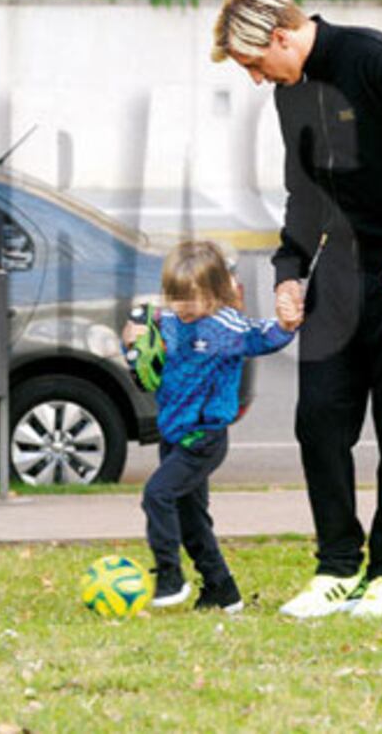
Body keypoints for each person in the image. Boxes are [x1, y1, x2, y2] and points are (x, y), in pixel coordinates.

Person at [212, 0, 382, 617]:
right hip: (341, 273)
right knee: (318, 419)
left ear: (280, 37)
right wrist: (291, 270)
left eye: (252, 64)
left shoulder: (379, 60)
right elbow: (305, 192)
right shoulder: (291, 93)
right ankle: (337, 568)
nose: (253, 79)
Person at [124, 241, 296, 613]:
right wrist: (131, 342)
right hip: (172, 435)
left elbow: (262, 335)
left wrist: (285, 325)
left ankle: (169, 576)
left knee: (157, 494)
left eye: (191, 298)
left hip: (203, 437)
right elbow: (145, 339)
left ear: (216, 293)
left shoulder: (223, 326)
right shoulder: (168, 320)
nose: (182, 307)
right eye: (175, 297)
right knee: (191, 520)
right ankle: (223, 590)